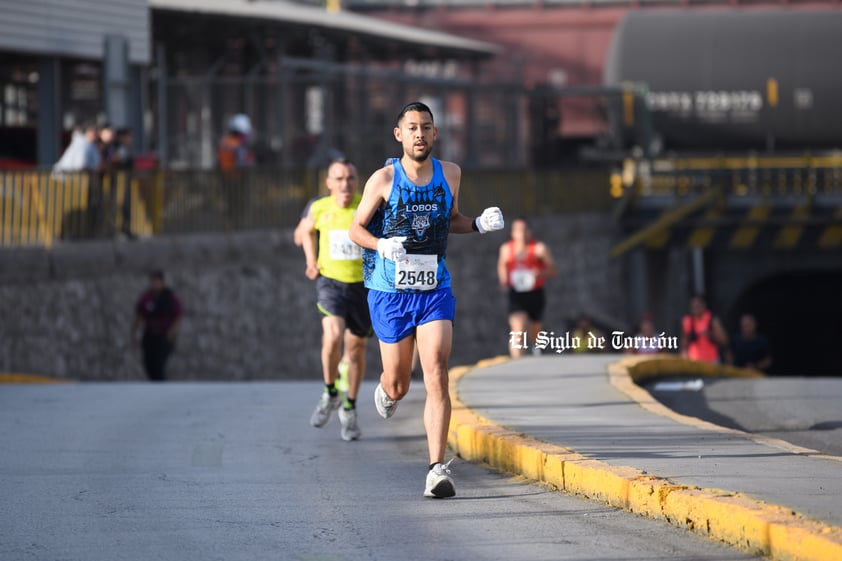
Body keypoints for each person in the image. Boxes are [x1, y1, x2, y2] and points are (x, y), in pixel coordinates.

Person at [348, 101, 504, 498]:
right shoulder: (383, 179)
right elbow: (356, 229)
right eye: (412, 127)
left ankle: (437, 469)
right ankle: (387, 388)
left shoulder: (450, 173)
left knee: (436, 369)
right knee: (399, 383)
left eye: (427, 127)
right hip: (390, 291)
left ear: (436, 134)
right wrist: (382, 246)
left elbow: (450, 219)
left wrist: (478, 224)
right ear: (399, 134)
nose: (420, 134)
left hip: (434, 287)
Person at [299, 159, 370, 441]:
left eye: (350, 178)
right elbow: (305, 231)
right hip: (331, 283)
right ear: (329, 183)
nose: (345, 184)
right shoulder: (320, 208)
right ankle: (330, 392)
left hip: (363, 287)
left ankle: (349, 407)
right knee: (333, 336)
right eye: (339, 179)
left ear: (357, 181)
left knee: (356, 350)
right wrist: (311, 260)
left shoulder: (366, 205)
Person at [497, 217, 556, 357]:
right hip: (516, 294)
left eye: (524, 230)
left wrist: (540, 273)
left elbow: (553, 271)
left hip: (535, 293)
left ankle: (536, 348)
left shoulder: (539, 249)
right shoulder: (506, 249)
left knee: (535, 330)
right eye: (518, 230)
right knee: (518, 329)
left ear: (530, 231)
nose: (521, 234)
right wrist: (504, 280)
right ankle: (517, 364)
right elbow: (501, 265)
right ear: (512, 233)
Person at [132, 271, 183, 381]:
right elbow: (140, 315)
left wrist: (171, 332)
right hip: (150, 334)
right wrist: (135, 331)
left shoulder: (169, 297)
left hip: (163, 336)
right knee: (148, 363)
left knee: (159, 363)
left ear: (162, 282)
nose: (155, 284)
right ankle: (154, 387)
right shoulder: (147, 297)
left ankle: (161, 388)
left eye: (157, 282)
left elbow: (178, 316)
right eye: (153, 282)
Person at [680, 294, 728, 363]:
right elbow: (684, 342)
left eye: (697, 306)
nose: (695, 309)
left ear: (704, 306)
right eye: (693, 307)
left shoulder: (712, 319)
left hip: (712, 360)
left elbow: (724, 340)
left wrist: (710, 334)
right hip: (694, 360)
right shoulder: (687, 321)